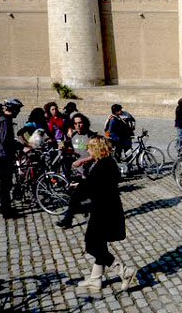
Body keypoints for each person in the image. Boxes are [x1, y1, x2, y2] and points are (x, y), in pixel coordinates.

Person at [75, 137, 136, 292]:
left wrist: (79, 185)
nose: (88, 151)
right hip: (106, 208)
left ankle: (124, 271)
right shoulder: (107, 162)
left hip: (104, 211)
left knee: (91, 244)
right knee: (99, 244)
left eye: (90, 148)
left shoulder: (103, 165)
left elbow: (95, 186)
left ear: (97, 149)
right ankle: (95, 280)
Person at [56, 113, 97, 229]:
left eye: (80, 122)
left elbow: (95, 156)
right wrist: (65, 148)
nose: (78, 125)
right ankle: (67, 220)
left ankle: (67, 219)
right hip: (80, 172)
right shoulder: (73, 135)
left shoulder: (91, 136)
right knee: (78, 197)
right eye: (75, 123)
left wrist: (82, 161)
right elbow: (74, 150)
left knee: (79, 197)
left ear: (84, 123)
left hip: (91, 172)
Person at [0, 99, 23, 219]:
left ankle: (5, 207)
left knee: (6, 183)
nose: (19, 112)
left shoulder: (3, 118)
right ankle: (6, 211)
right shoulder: (5, 121)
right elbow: (5, 140)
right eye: (18, 109)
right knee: (6, 184)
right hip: (4, 155)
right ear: (13, 109)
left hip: (2, 154)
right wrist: (19, 146)